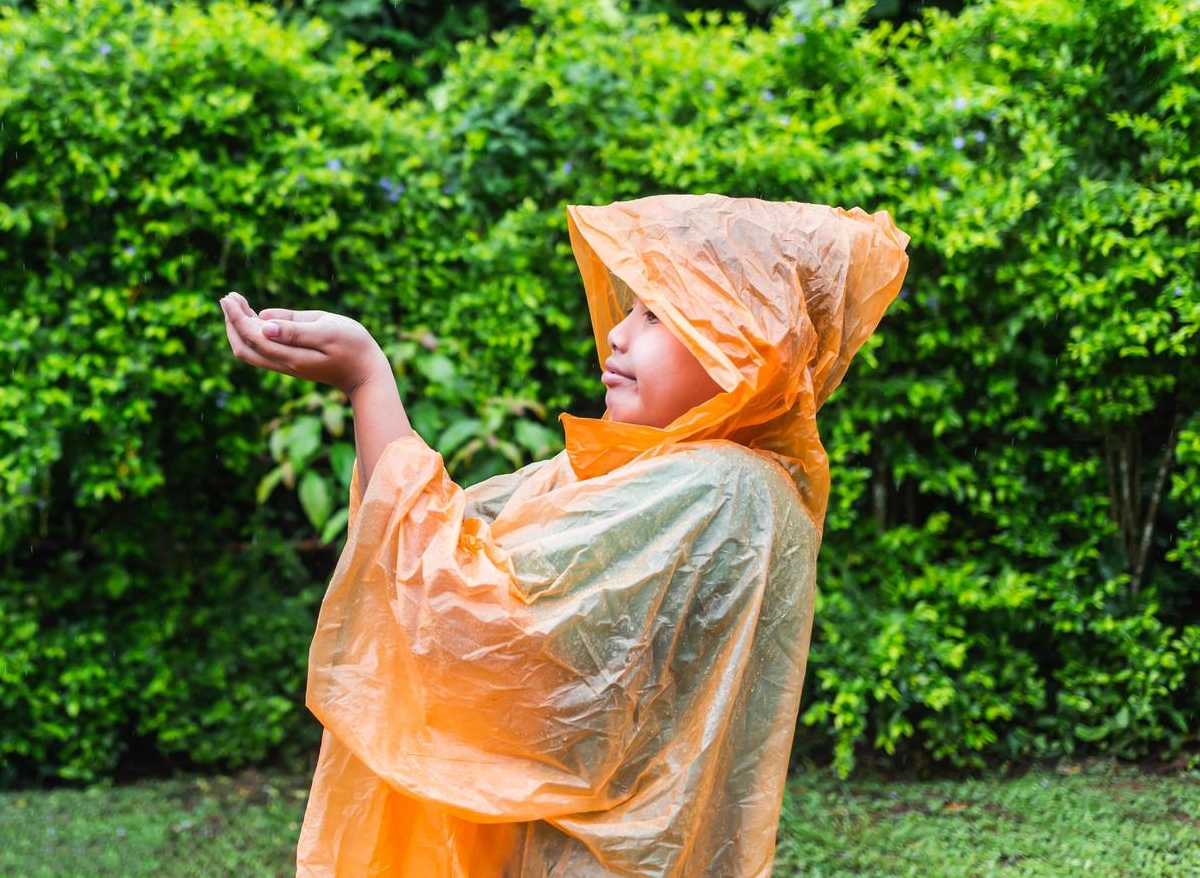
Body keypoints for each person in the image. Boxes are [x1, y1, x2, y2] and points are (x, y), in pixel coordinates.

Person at [218, 193, 911, 876]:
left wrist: (369, 379)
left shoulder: (721, 487)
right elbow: (433, 559)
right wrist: (359, 385)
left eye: (659, 314)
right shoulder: (636, 475)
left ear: (752, 348)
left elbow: (475, 625)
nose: (618, 333)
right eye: (631, 308)